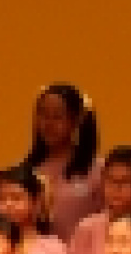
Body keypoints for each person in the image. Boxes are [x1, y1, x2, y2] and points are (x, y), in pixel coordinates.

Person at [21, 83, 102, 244]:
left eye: (57, 116)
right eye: (43, 115)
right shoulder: (27, 170)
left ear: (76, 120)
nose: (48, 123)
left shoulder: (97, 169)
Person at [0, 165, 72, 254]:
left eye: (16, 198)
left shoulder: (54, 247)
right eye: (2, 199)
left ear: (36, 202)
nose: (8, 204)